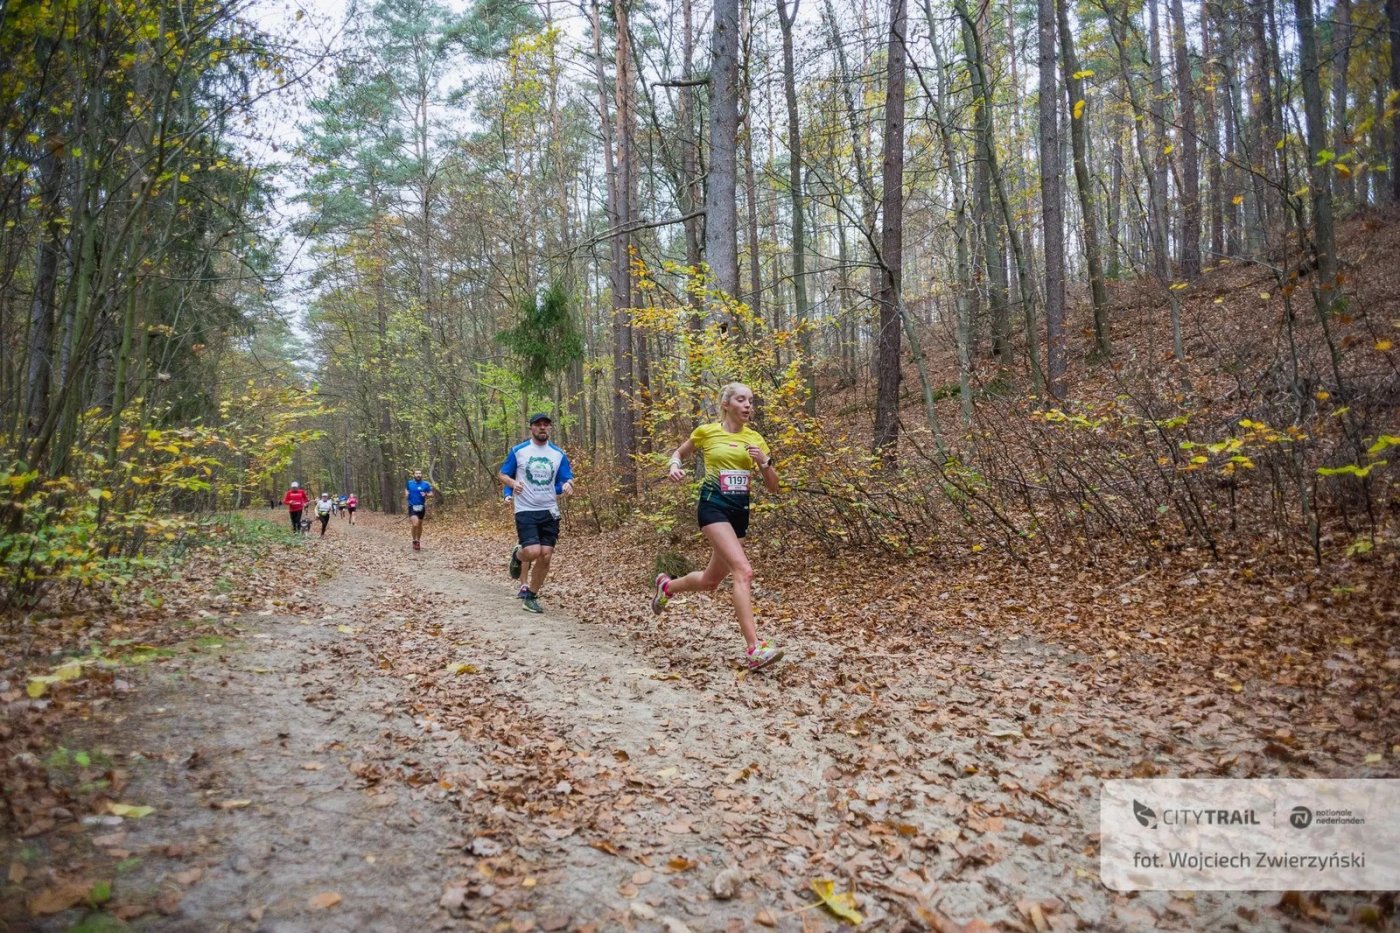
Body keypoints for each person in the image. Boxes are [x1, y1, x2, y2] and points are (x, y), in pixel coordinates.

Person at [652, 383, 783, 670]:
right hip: (712, 508)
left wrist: (765, 463)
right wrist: (674, 466)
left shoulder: (756, 439)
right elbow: (679, 453)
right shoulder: (707, 432)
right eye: (741, 400)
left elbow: (774, 488)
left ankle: (667, 586)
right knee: (743, 571)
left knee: (711, 581)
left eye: (751, 400)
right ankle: (754, 648)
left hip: (739, 515)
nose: (748, 405)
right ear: (726, 404)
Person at [498, 413, 574, 613]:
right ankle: (518, 554)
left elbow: (567, 477)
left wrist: (568, 484)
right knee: (532, 552)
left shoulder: (558, 454)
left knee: (546, 556)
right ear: (531, 428)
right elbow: (502, 473)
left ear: (550, 429)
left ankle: (531, 596)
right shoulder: (519, 451)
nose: (542, 428)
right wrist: (513, 484)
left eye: (546, 425)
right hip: (526, 509)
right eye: (538, 425)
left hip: (549, 510)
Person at [405, 470, 436, 550]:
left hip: (421, 507)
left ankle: (418, 540)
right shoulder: (409, 483)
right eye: (416, 473)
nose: (418, 475)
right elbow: (406, 489)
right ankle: (414, 540)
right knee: (415, 524)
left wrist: (426, 494)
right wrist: (406, 493)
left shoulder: (425, 484)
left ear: (421, 475)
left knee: (420, 525)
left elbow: (431, 494)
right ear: (414, 475)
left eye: (419, 473)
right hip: (412, 506)